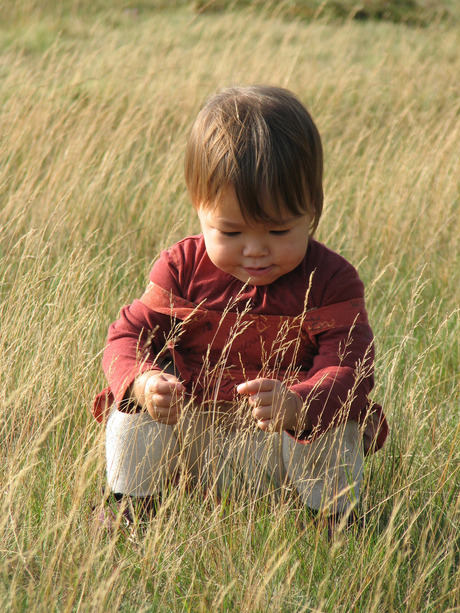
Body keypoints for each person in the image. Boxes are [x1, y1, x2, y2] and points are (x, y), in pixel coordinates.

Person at [93, 85, 388, 532]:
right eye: (230, 233)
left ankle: (335, 521)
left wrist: (299, 404)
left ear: (313, 208)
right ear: (199, 209)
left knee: (337, 422)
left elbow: (351, 369)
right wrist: (144, 381)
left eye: (278, 230)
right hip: (194, 438)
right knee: (132, 409)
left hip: (282, 447)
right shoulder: (182, 268)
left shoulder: (330, 280)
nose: (255, 251)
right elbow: (127, 336)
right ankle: (130, 508)